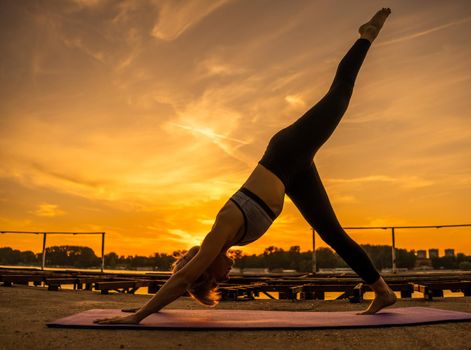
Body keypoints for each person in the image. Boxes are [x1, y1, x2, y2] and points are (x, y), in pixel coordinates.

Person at [95, 8, 395, 325]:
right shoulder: (228, 240)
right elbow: (181, 283)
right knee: (332, 234)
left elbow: (181, 280)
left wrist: (138, 317)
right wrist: (148, 308)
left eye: (215, 279)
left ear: (206, 267)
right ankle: (383, 292)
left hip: (287, 152)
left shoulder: (220, 229)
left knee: (339, 94)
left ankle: (366, 35)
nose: (225, 278)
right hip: (294, 174)